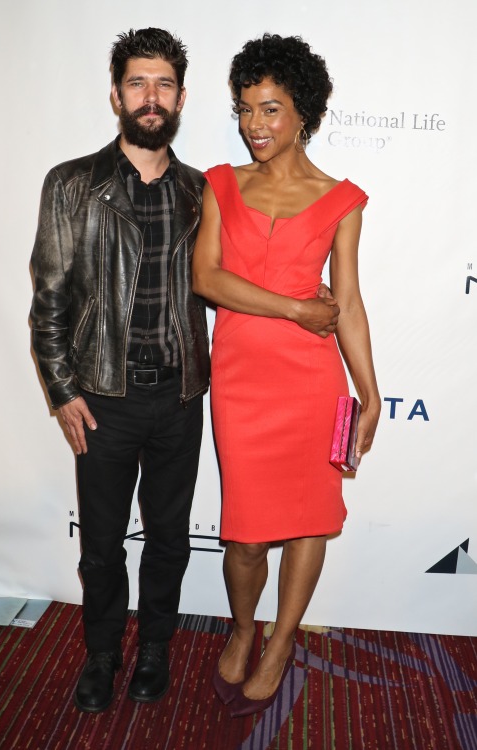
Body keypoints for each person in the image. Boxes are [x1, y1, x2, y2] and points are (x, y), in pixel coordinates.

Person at [192, 33, 381, 717]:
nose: (255, 126)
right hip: (241, 380)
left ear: (304, 112)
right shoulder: (220, 183)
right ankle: (243, 627)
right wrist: (298, 307)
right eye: (245, 110)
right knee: (243, 535)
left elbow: (349, 302)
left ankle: (279, 644)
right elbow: (208, 278)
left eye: (270, 109)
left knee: (308, 522)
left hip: (312, 384)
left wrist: (369, 389)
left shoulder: (343, 199)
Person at [30, 28, 210, 713]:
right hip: (104, 398)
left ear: (182, 97)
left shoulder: (200, 192)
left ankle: (155, 650)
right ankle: (102, 655)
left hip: (180, 396)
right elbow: (48, 298)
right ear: (116, 94)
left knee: (169, 539)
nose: (151, 96)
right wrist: (61, 389)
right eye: (138, 82)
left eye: (163, 84)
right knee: (102, 547)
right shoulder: (73, 185)